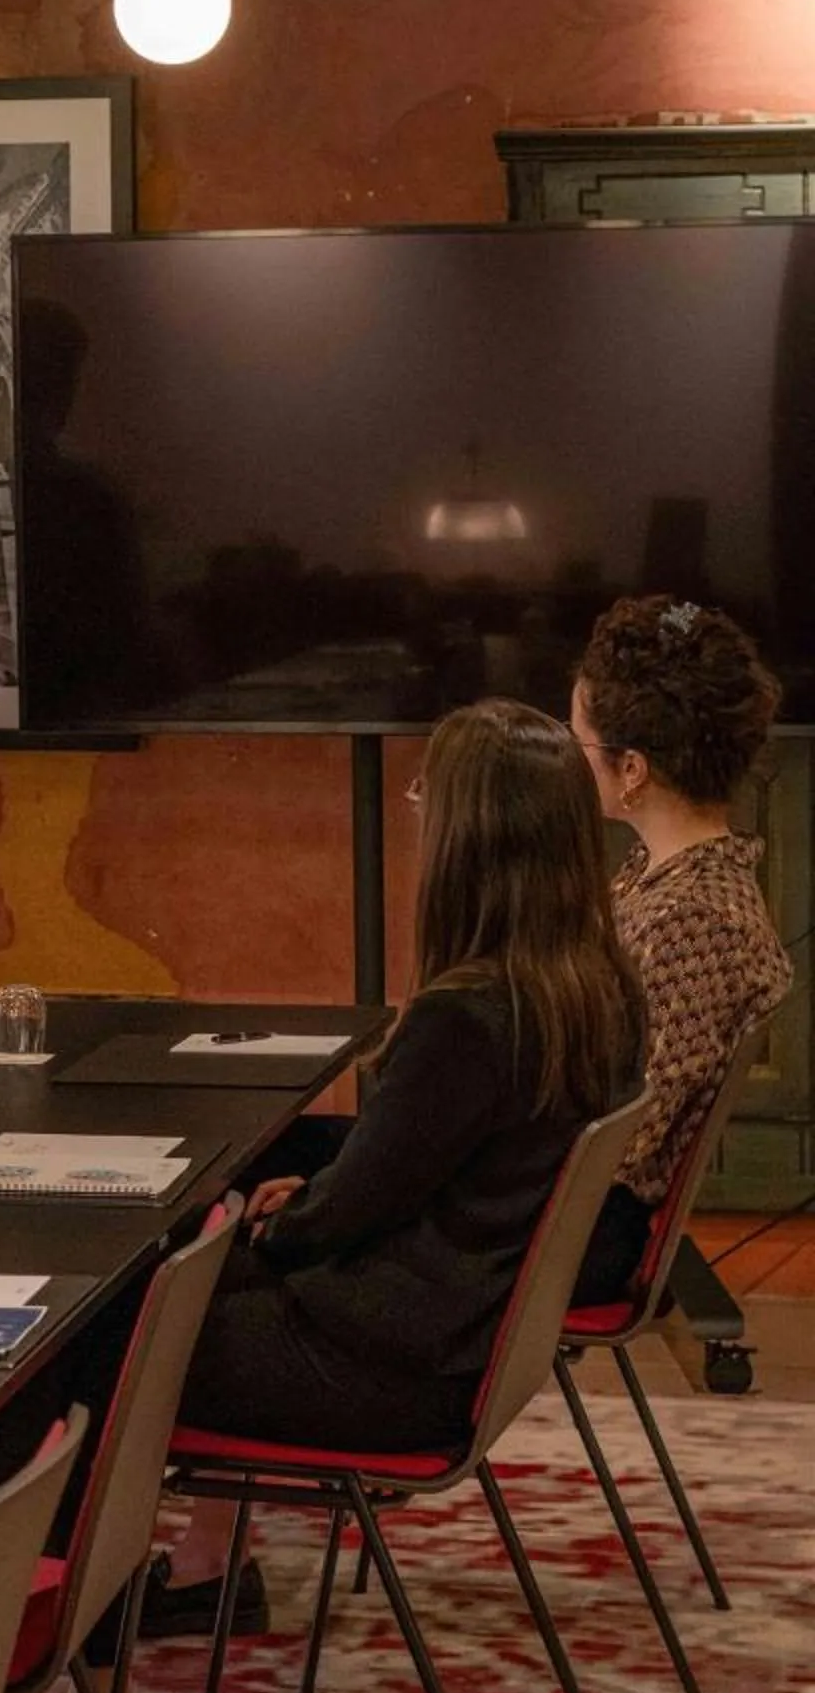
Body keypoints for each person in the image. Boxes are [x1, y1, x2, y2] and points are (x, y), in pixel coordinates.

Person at [153, 700, 645, 1630]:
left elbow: (342, 1218)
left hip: (393, 1367)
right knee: (192, 1270)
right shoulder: (597, 986)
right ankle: (201, 1570)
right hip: (465, 1341)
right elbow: (398, 1179)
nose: (416, 811)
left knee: (90, 1346)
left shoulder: (467, 1014)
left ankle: (67, 1632)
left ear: (472, 838)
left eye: (428, 795)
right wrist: (300, 1212)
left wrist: (272, 1225)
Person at [569, 596, 793, 1304]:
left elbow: (622, 1142)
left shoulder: (694, 918)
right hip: (564, 1198)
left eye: (579, 740)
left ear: (631, 768)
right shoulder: (660, 874)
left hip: (576, 1231)